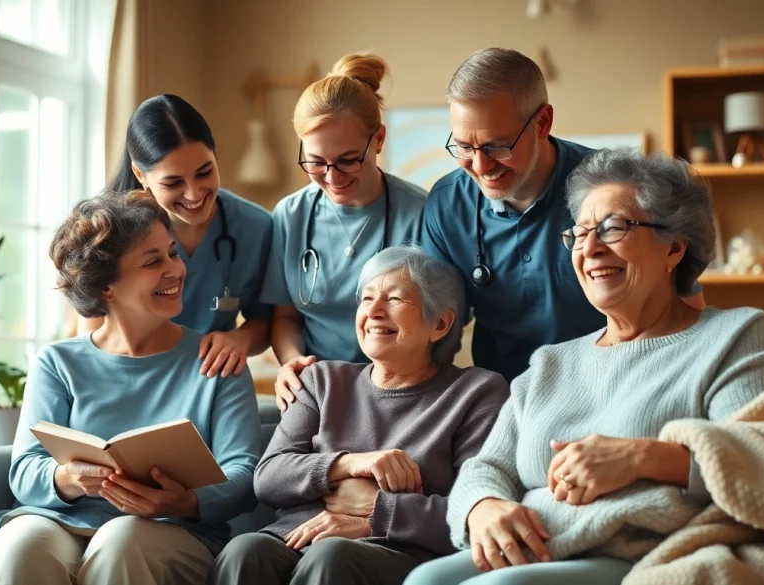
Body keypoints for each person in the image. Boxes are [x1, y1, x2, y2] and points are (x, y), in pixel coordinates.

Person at [404, 149, 764, 585]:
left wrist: (640, 457)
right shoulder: (552, 361)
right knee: (424, 581)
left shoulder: (735, 335)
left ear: (675, 247)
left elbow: (761, 464)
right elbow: (486, 467)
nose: (589, 247)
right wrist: (483, 507)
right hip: (541, 543)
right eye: (580, 233)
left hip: (642, 551)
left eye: (613, 228)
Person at [0, 192, 263, 585]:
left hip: (172, 529)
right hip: (61, 520)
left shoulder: (217, 360)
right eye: (153, 262)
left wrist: (187, 501)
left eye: (171, 253)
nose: (176, 269)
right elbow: (26, 469)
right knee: (21, 547)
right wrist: (69, 477)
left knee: (122, 539)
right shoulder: (58, 363)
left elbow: (245, 472)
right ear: (106, 289)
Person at [210, 246, 510, 585]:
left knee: (332, 555)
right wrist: (350, 464)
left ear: (440, 323)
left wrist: (379, 513)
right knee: (243, 551)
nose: (375, 311)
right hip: (292, 536)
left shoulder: (477, 392)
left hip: (396, 549)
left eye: (395, 300)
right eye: (366, 299)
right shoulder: (320, 379)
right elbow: (268, 479)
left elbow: (475, 508)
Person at [421, 48, 703, 383]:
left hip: (615, 385)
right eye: (465, 147)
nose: (480, 167)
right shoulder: (447, 205)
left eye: (498, 146)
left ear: (542, 122)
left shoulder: (613, 189)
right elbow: (434, 328)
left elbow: (684, 303)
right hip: (504, 400)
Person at [260, 53, 427, 410]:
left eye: (349, 160)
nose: (333, 178)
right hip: (315, 390)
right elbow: (286, 317)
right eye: (316, 162)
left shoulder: (421, 214)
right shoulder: (291, 214)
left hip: (399, 391)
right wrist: (292, 363)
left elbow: (439, 325)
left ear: (378, 139)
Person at [82, 94, 273, 379]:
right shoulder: (110, 233)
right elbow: (95, 333)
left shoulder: (254, 227)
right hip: (127, 375)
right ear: (140, 174)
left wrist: (239, 339)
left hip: (205, 379)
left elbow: (265, 321)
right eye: (173, 182)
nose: (194, 194)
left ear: (215, 155)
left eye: (205, 172)